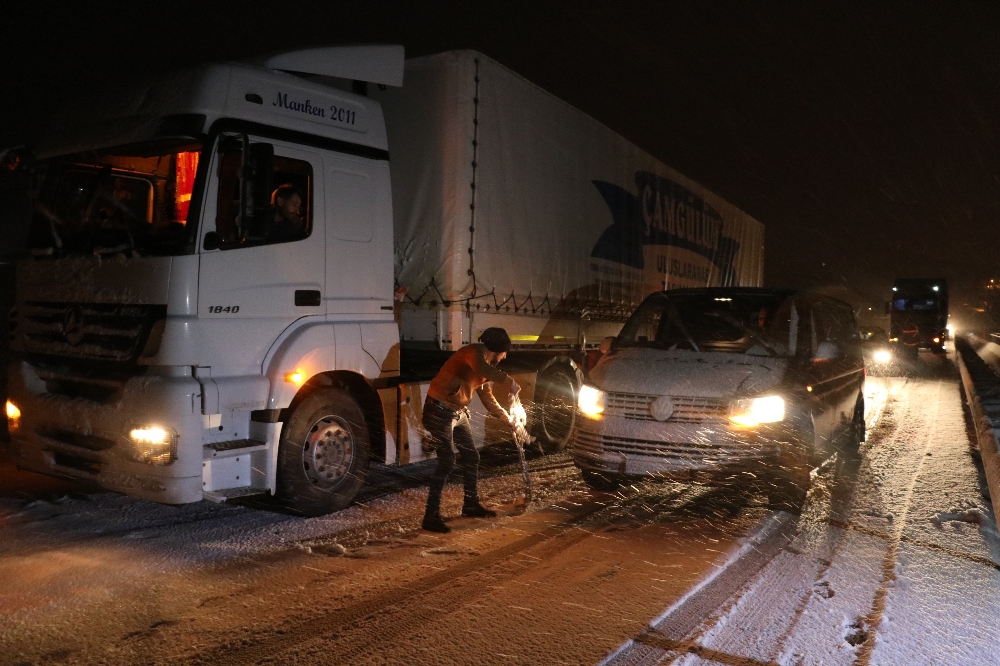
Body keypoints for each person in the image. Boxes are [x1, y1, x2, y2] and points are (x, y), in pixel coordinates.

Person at [421, 327, 520, 533]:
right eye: (504, 352)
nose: (505, 356)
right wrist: (510, 382)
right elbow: (482, 368)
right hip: (439, 409)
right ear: (496, 349)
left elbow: (486, 396)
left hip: (457, 412)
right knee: (447, 461)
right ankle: (430, 517)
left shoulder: (486, 365)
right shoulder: (473, 353)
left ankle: (470, 504)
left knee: (471, 456)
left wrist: (506, 419)